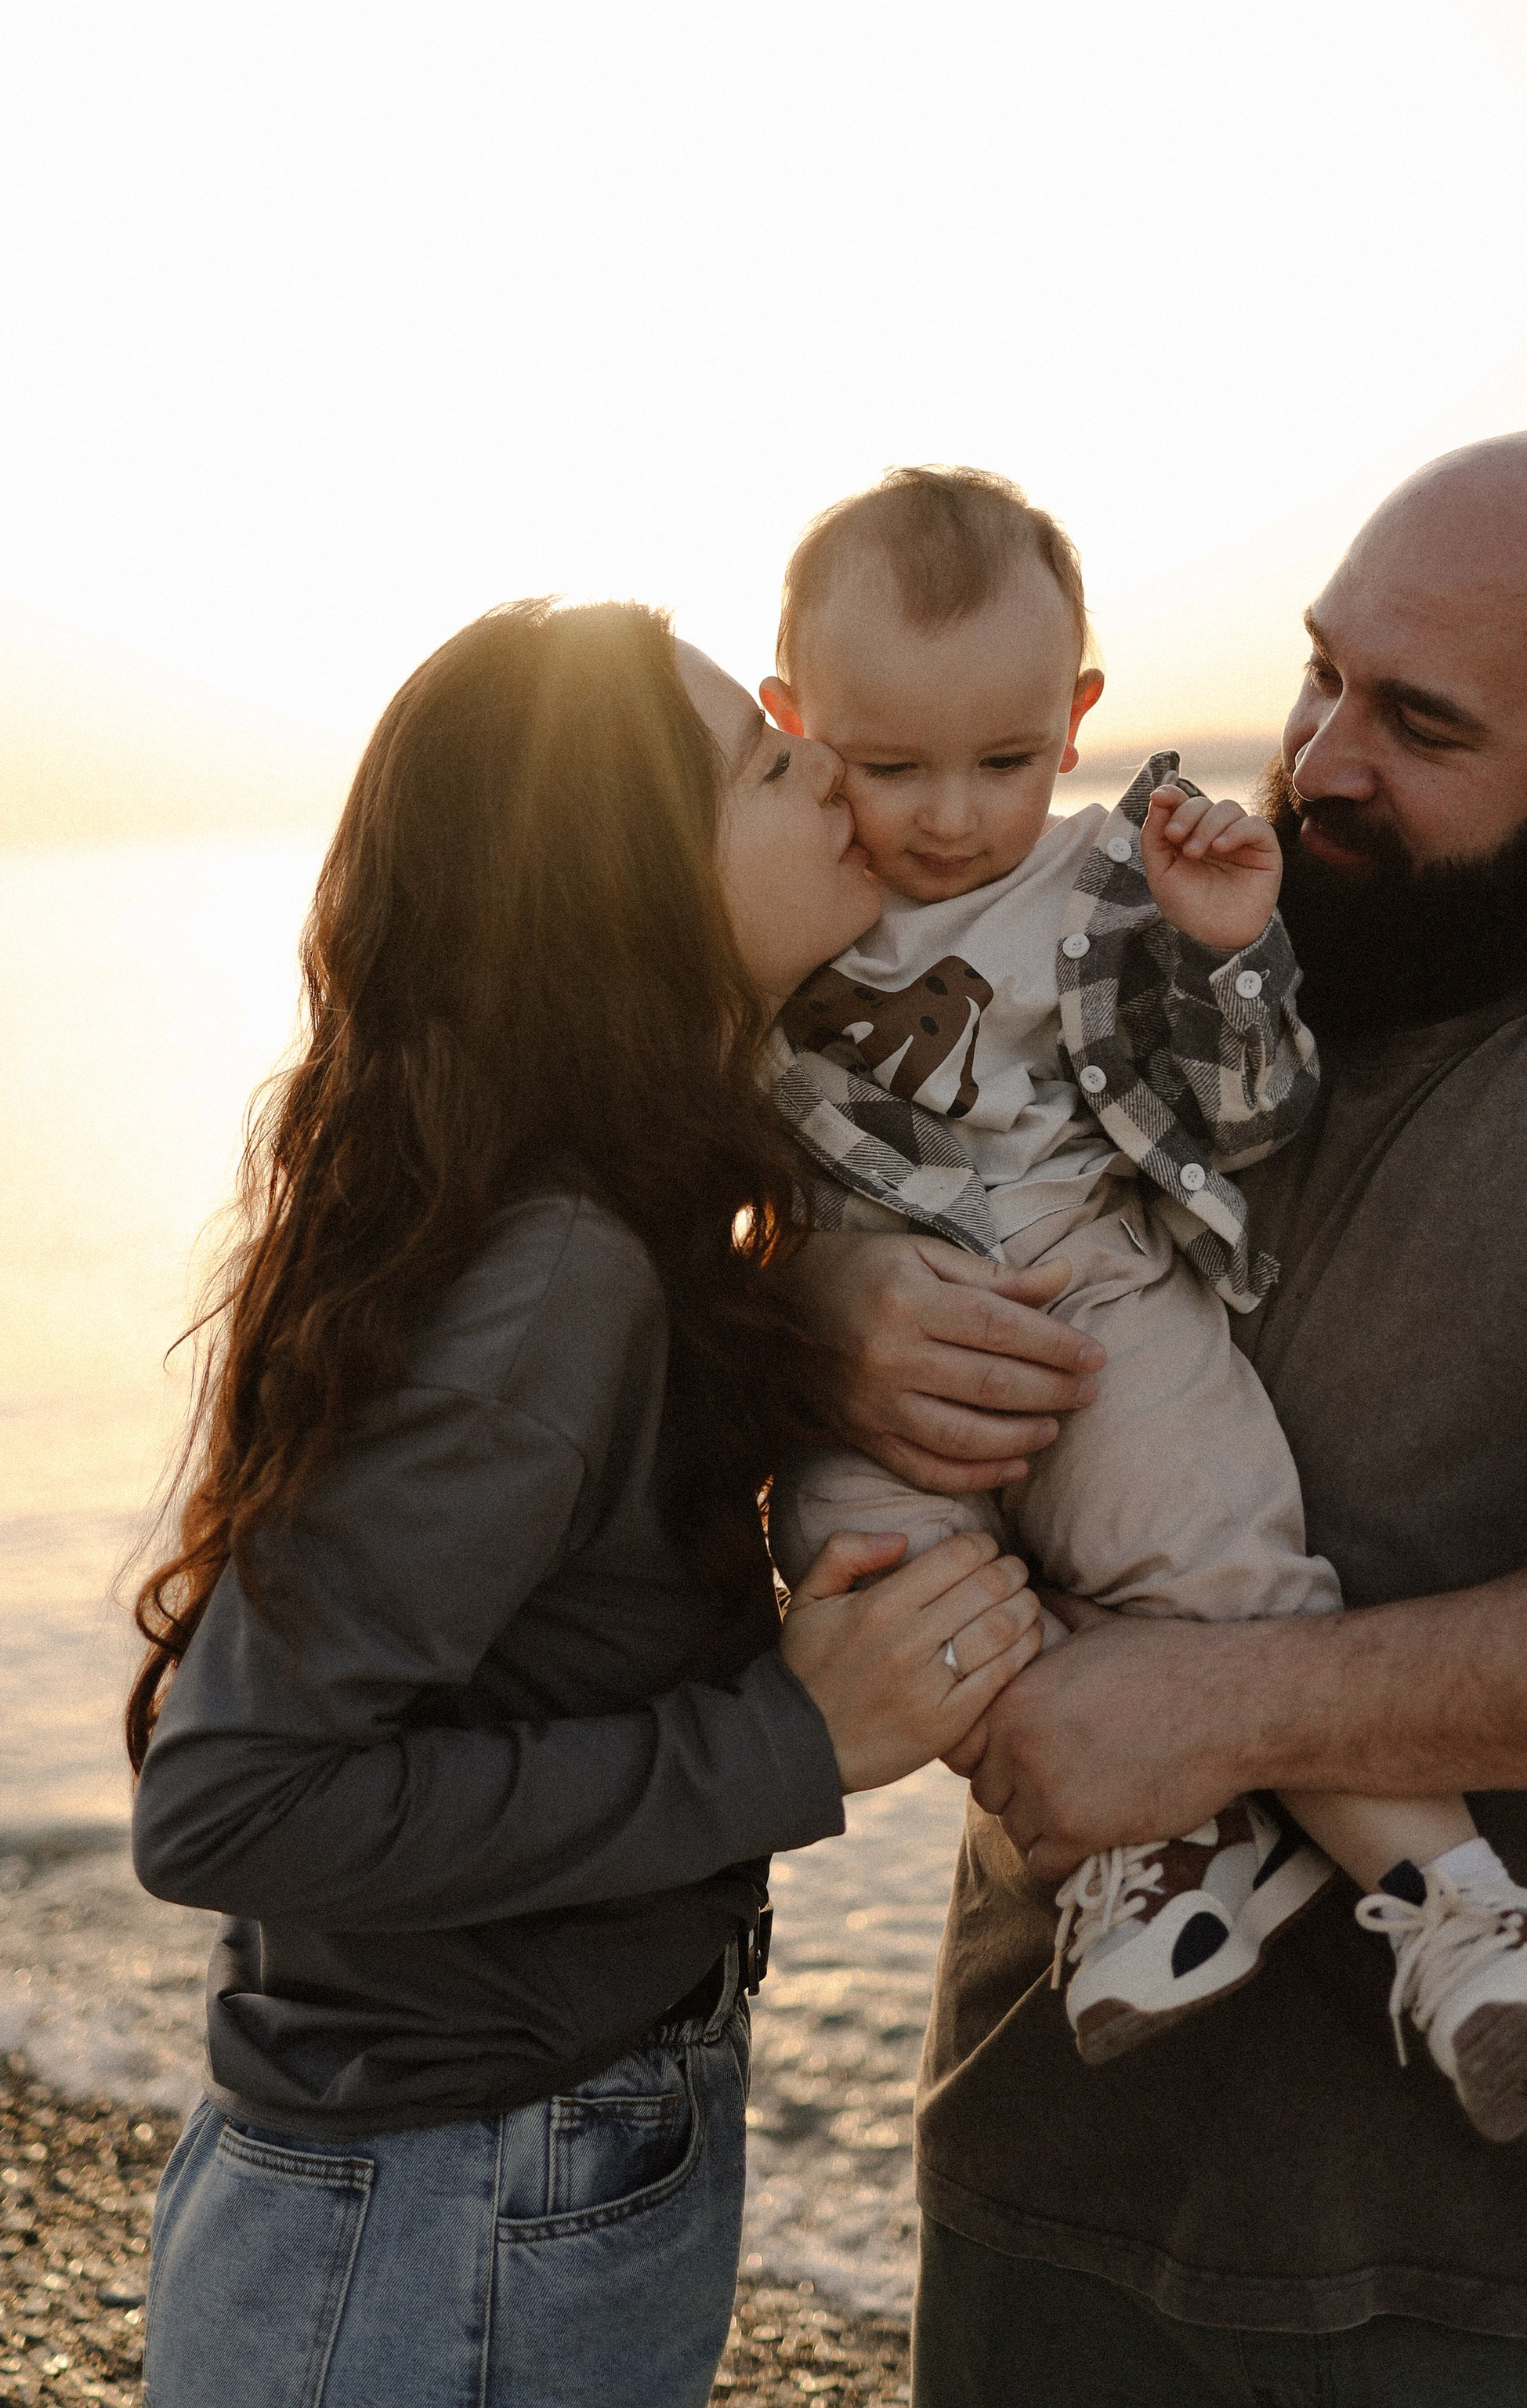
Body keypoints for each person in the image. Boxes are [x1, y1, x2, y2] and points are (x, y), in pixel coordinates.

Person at [792, 434, 1527, 2406]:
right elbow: (777, 1172)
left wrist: (1231, 1708)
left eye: (1416, 723)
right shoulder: (1145, 950)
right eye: (1319, 674)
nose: (1318, 757)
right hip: (1042, 2205)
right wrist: (808, 1312)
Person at [126, 599, 1043, 2408]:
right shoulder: (555, 1273)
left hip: (487, 2167)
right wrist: (785, 1735)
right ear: (624, 881)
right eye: (776, 769)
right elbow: (228, 1803)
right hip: (439, 2209)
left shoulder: (595, 1224)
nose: (838, 788)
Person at [761, 465, 1527, 2130]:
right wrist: (799, 1297)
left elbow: (1253, 1120)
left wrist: (1228, 945)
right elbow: (680, 1161)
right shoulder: (769, 894)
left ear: (1078, 717)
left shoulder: (1110, 879)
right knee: (879, 1583)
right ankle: (1142, 1863)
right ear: (792, 719)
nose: (950, 813)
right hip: (872, 1381)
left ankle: (1467, 1922)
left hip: (1100, 1306)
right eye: (888, 766)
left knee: (1225, 1577)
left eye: (1005, 760)